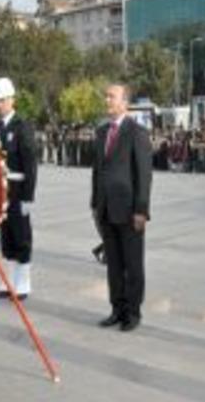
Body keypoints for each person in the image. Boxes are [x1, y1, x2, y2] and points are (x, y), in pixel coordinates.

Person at [91, 83, 153, 332]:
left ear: (125, 102)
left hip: (129, 211)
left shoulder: (136, 132)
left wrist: (141, 210)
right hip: (106, 209)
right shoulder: (101, 132)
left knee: (132, 264)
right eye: (105, 96)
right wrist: (95, 203)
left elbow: (144, 175)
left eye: (112, 96)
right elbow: (98, 171)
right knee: (114, 265)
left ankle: (133, 313)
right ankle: (116, 309)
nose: (107, 100)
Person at [0, 77, 39, 301]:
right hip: (3, 191)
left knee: (22, 236)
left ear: (12, 99)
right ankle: (8, 280)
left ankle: (24, 283)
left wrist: (29, 196)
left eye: (2, 99)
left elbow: (30, 164)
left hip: (19, 190)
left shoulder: (22, 126)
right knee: (7, 236)